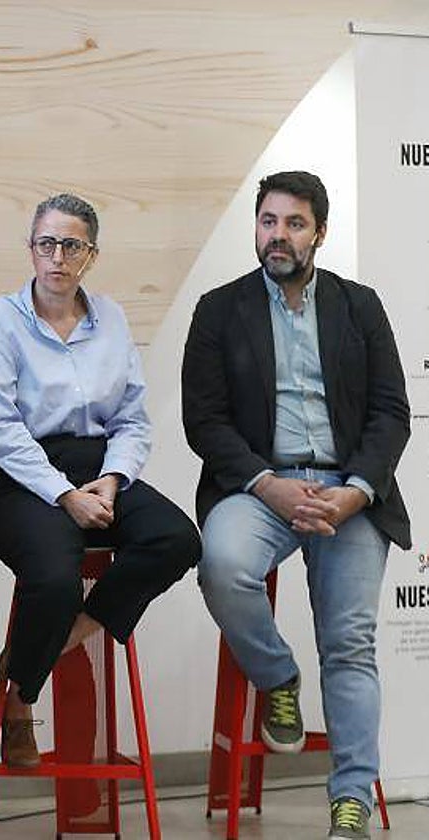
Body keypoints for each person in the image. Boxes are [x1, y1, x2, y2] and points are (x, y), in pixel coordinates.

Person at [182, 171, 409, 840]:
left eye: (294, 223)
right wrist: (266, 484)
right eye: (268, 221)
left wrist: (353, 493)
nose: (277, 235)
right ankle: (278, 676)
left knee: (351, 643)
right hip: (259, 487)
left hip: (348, 490)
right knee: (222, 565)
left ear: (320, 233)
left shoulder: (359, 306)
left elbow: (391, 412)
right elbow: (206, 421)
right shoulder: (219, 310)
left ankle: (350, 801)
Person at [0, 193, 201, 768]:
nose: (57, 257)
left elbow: (132, 420)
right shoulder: (0, 320)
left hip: (99, 468)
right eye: (46, 244)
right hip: (20, 477)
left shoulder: (112, 319)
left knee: (179, 539)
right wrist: (64, 495)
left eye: (71, 245)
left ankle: (64, 637)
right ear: (31, 249)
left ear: (90, 256)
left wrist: (114, 479)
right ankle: (23, 697)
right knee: (53, 578)